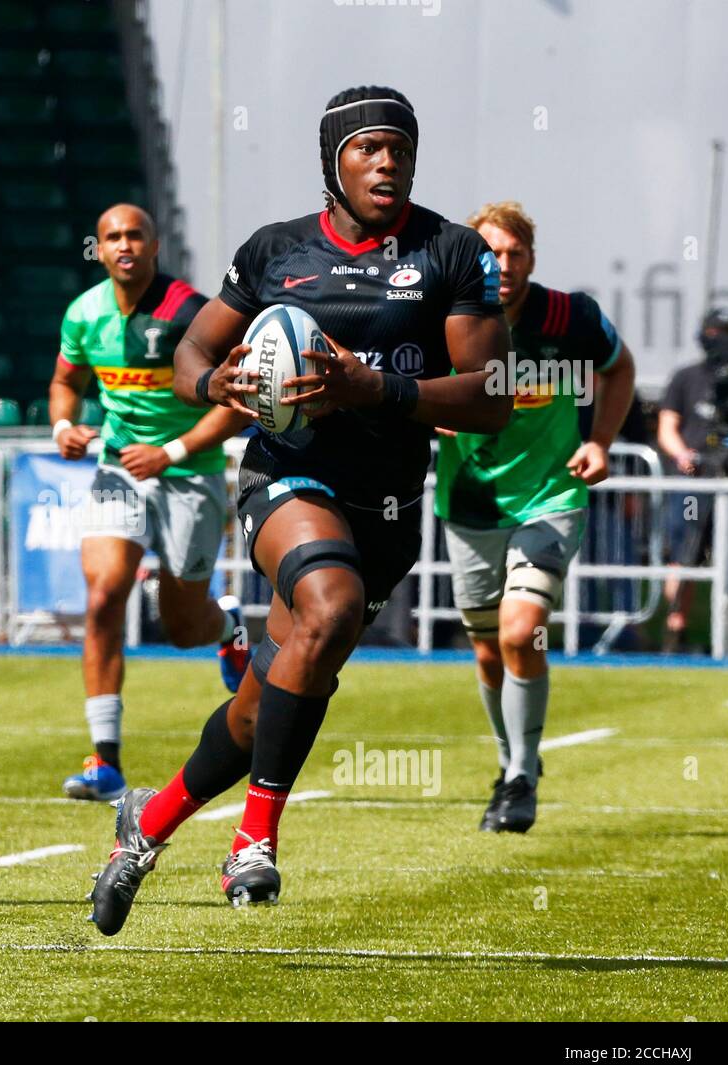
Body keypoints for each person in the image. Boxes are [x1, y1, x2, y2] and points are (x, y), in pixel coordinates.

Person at [87, 87, 512, 934]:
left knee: (265, 698)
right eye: (368, 148)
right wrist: (217, 384)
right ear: (334, 163)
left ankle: (150, 820)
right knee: (331, 605)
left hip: (386, 506)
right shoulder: (275, 251)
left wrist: (373, 386)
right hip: (286, 478)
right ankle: (255, 839)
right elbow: (194, 351)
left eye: (399, 147)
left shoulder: (452, 253)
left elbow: (492, 396)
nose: (387, 161)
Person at [435, 201, 634, 832]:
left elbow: (619, 368)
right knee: (490, 652)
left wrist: (599, 439)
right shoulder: (441, 318)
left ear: (532, 259)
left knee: (522, 633)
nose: (502, 264)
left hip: (551, 498)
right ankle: (511, 761)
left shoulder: (568, 317)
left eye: (514, 252)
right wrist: (424, 408)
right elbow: (397, 384)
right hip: (470, 505)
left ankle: (521, 777)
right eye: (490, 252)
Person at [52, 203, 250, 802]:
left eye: (136, 234)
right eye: (112, 236)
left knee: (183, 626)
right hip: (118, 467)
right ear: (100, 248)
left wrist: (170, 450)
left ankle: (229, 626)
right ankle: (104, 761)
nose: (125, 245)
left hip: (189, 470)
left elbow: (236, 399)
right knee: (105, 593)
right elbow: (66, 382)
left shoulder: (189, 311)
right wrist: (63, 426)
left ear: (155, 244)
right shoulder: (84, 313)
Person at [657, 307, 728, 652]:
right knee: (684, 555)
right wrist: (683, 456)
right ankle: (675, 630)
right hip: (695, 484)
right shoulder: (686, 376)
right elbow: (667, 427)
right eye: (712, 334)